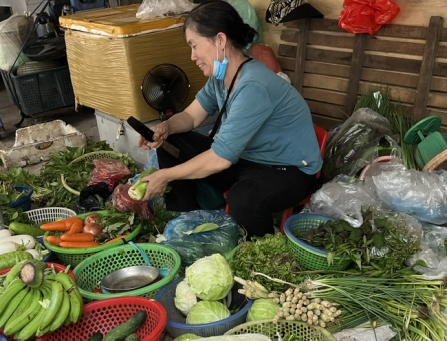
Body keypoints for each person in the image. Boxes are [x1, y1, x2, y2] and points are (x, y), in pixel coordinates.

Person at [137, 0, 322, 238]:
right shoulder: (220, 77)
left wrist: (164, 175)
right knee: (172, 141)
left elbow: (221, 159)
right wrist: (165, 127)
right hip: (246, 160)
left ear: (220, 41)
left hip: (287, 171)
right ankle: (188, 219)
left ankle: (260, 248)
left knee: (243, 198)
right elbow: (192, 117)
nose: (192, 56)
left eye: (194, 46)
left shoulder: (253, 85)